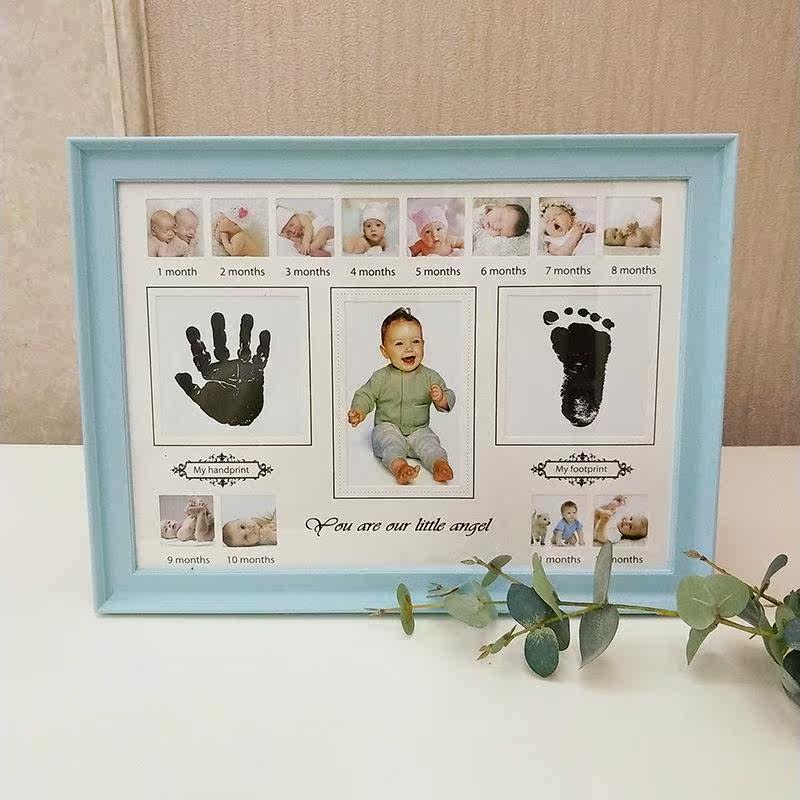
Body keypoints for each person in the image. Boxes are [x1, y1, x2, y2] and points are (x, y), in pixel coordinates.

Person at [347, 307, 455, 485]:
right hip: (388, 427)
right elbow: (365, 394)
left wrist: (441, 398)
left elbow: (449, 395)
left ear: (423, 344)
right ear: (385, 351)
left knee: (430, 443)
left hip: (418, 429)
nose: (409, 348)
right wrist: (359, 410)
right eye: (399, 344)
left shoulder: (430, 377)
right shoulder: (381, 377)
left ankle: (439, 464)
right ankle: (400, 467)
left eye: (415, 341)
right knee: (390, 443)